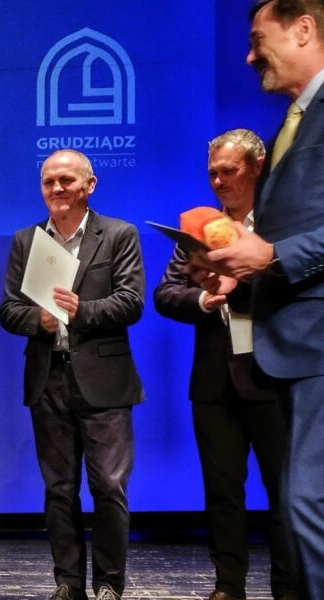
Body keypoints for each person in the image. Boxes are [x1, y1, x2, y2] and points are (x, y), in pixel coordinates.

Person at [197, 3, 324, 597]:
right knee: (302, 502)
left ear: (304, 29)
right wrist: (237, 276)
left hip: (315, 342)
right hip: (292, 351)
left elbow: (283, 245)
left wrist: (270, 256)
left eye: (257, 38)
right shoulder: (293, 123)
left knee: (304, 501)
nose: (249, 55)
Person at [153, 129, 296, 600]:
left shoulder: (282, 223)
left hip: (275, 376)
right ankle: (227, 586)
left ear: (256, 167)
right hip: (215, 381)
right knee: (221, 492)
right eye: (212, 172)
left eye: (228, 171)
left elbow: (300, 285)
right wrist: (205, 299)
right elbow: (166, 294)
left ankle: (289, 588)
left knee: (286, 493)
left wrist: (243, 283)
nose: (218, 181)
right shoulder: (199, 229)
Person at [0, 149, 144, 600]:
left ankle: (108, 585)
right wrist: (37, 320)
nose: (57, 188)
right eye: (49, 181)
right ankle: (68, 583)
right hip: (48, 379)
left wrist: (83, 311)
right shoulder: (26, 240)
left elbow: (131, 301)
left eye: (66, 180)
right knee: (59, 488)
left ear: (90, 185)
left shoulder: (119, 234)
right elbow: (9, 309)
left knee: (109, 487)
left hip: (105, 380)